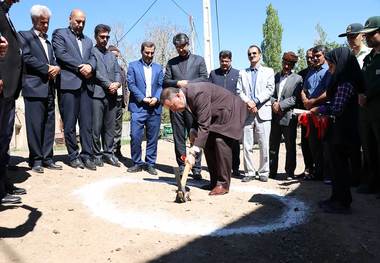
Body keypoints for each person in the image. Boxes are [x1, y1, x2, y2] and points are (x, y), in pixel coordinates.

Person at [161, 83, 247, 195]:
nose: (174, 111)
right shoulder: (185, 98)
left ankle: (223, 184)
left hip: (230, 112)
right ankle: (214, 181)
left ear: (178, 96)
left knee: (220, 141)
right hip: (216, 116)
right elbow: (199, 116)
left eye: (172, 106)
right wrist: (193, 131)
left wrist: (193, 153)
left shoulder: (197, 93)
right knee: (208, 143)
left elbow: (204, 124)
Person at [311, 47, 363, 213]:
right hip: (337, 131)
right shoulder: (340, 80)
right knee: (335, 166)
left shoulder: (345, 82)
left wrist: (319, 110)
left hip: (343, 132)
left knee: (340, 167)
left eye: (331, 64)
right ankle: (335, 198)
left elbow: (337, 108)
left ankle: (343, 202)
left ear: (339, 63)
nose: (330, 68)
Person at [19, 5, 62, 174]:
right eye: (42, 22)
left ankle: (47, 158)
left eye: (47, 22)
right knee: (35, 125)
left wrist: (56, 68)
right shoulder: (25, 36)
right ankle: (35, 160)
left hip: (50, 89)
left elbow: (54, 61)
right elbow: (27, 57)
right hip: (34, 88)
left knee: (49, 125)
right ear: (34, 20)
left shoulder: (49, 42)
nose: (45, 26)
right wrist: (47, 68)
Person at [52, 9, 97, 170]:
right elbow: (61, 54)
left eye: (83, 21)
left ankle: (87, 155)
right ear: (70, 19)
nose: (81, 24)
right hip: (68, 85)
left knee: (86, 124)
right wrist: (80, 67)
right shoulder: (59, 34)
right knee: (69, 123)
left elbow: (93, 57)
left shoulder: (89, 41)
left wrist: (90, 66)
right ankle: (73, 155)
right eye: (78, 21)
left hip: (86, 86)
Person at [163, 33, 208, 180]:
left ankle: (196, 168)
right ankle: (182, 165)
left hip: (192, 104)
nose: (180, 49)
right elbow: (165, 81)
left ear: (188, 44)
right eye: (178, 47)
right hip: (176, 104)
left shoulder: (199, 60)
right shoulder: (171, 63)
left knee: (194, 135)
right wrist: (177, 83)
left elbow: (204, 78)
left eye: (183, 46)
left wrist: (188, 83)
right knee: (178, 136)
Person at [0, 0, 26, 205]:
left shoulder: (5, 13)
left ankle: (3, 184)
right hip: (1, 85)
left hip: (9, 89)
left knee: (4, 140)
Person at [236, 44, 275, 182]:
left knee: (264, 144)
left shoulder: (269, 71)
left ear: (260, 55)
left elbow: (270, 89)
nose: (252, 56)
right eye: (249, 54)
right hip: (247, 112)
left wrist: (256, 101)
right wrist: (249, 102)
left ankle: (264, 172)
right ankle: (249, 172)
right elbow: (239, 91)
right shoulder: (242, 73)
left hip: (263, 111)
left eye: (254, 53)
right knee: (247, 145)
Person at [127, 41, 163, 175]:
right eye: (147, 52)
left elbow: (161, 85)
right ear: (141, 51)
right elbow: (131, 84)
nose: (149, 55)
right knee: (135, 136)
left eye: (152, 53)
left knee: (153, 138)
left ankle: (150, 163)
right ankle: (137, 163)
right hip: (138, 107)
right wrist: (143, 98)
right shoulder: (132, 66)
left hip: (154, 107)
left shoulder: (159, 68)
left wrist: (157, 98)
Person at [300, 45, 331, 181]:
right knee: (313, 143)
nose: (315, 59)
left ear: (324, 55)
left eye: (318, 56)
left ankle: (328, 174)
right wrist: (306, 100)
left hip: (324, 112)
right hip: (311, 113)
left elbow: (329, 92)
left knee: (326, 144)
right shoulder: (311, 71)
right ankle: (317, 172)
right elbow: (304, 89)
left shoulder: (329, 70)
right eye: (313, 56)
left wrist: (313, 102)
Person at [269, 52, 303, 179]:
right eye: (285, 63)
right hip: (275, 117)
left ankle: (289, 172)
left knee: (290, 146)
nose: (286, 66)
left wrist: (281, 105)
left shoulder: (298, 78)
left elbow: (295, 98)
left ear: (293, 65)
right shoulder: (276, 76)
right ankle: (272, 172)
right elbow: (270, 93)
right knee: (273, 146)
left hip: (288, 117)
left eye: (289, 64)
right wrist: (274, 104)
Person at [91, 24, 121, 167]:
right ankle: (96, 154)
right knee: (96, 127)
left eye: (107, 37)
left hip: (112, 95)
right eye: (102, 37)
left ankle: (108, 153)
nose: (105, 39)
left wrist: (117, 84)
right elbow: (94, 72)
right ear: (96, 36)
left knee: (110, 127)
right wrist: (108, 84)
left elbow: (118, 72)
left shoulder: (111, 55)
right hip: (97, 95)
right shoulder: (91, 52)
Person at [208, 50, 241, 178]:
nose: (224, 63)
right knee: (219, 141)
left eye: (227, 61)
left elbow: (240, 92)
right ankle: (220, 167)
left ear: (231, 60)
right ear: (219, 60)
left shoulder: (238, 74)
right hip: (217, 113)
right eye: (222, 61)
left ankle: (235, 168)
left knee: (234, 141)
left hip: (233, 112)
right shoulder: (213, 74)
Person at [357, 16, 380, 197]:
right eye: (365, 35)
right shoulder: (368, 59)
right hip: (365, 111)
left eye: (371, 34)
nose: (367, 38)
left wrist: (368, 95)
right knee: (368, 148)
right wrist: (360, 94)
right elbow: (362, 82)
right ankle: (372, 182)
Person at [108, 45, 128, 159]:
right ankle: (108, 151)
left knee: (118, 127)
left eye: (117, 56)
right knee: (109, 126)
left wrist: (125, 100)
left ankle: (117, 150)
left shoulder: (121, 69)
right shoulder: (106, 68)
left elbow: (125, 86)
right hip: (110, 100)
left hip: (120, 100)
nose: (115, 58)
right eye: (113, 56)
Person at [297, 48, 314, 177]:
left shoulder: (326, 72)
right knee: (305, 142)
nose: (309, 59)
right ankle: (308, 168)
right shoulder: (301, 74)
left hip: (319, 113)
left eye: (311, 57)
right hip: (304, 114)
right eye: (307, 57)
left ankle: (320, 170)